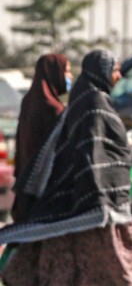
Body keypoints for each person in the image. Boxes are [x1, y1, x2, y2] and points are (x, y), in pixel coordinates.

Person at [0, 49, 132, 286]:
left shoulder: (82, 102)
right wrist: (98, 193)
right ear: (102, 72)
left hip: (76, 201)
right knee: (120, 269)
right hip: (95, 204)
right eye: (115, 70)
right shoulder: (93, 105)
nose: (120, 76)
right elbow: (93, 152)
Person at [11, 53, 71, 222]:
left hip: (25, 184)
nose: (71, 77)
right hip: (44, 188)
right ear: (54, 73)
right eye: (67, 71)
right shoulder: (54, 109)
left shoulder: (28, 102)